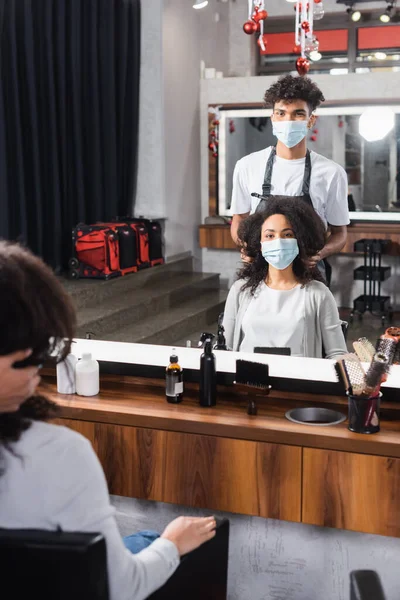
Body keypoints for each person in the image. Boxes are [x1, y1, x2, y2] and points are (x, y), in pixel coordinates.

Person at [0, 241, 216, 600]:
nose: (37, 363)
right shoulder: (60, 455)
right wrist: (173, 544)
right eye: (30, 351)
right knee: (155, 540)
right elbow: (120, 588)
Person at [230, 74, 349, 280]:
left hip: (309, 273)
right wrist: (246, 247)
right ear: (273, 118)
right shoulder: (247, 166)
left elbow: (340, 234)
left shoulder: (331, 173)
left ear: (311, 120)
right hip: (260, 271)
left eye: (298, 114)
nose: (288, 120)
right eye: (281, 113)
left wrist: (319, 254)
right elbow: (239, 219)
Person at [223, 198, 347, 359]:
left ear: (300, 241)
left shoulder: (318, 294)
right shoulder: (240, 290)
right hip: (245, 381)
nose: (279, 242)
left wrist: (356, 379)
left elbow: (337, 353)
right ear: (259, 243)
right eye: (270, 235)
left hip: (298, 381)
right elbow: (224, 348)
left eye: (287, 234)